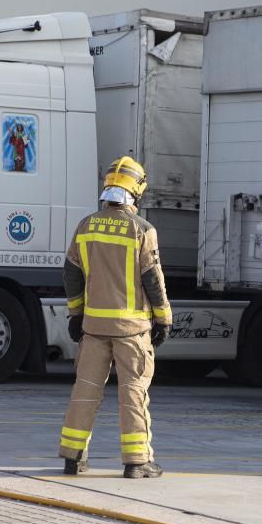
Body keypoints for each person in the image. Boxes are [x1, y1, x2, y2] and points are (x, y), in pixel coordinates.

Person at [59, 156, 172, 479]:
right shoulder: (142, 229)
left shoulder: (86, 225)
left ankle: (72, 457)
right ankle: (137, 462)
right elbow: (153, 279)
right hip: (132, 330)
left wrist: (76, 313)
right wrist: (164, 319)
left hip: (94, 328)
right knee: (133, 393)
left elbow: (71, 272)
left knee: (85, 390)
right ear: (136, 191)